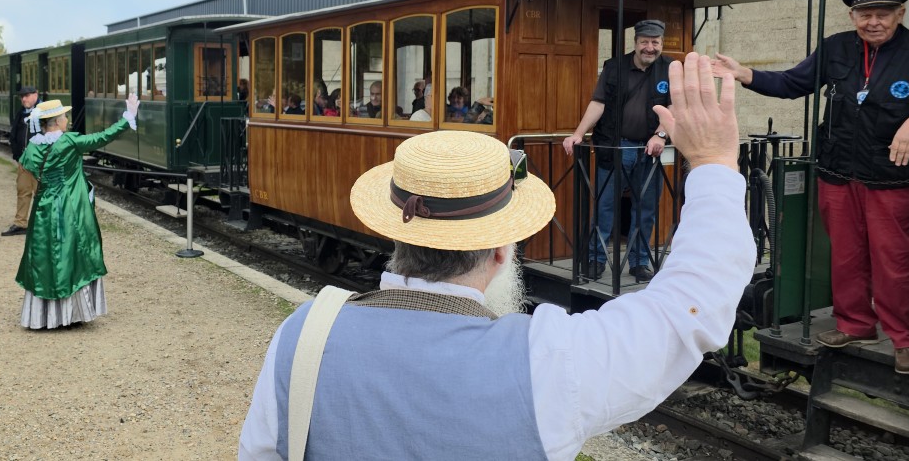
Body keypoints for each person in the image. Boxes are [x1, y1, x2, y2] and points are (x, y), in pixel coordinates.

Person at [239, 54, 753, 460]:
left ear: (394, 229)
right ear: (504, 248)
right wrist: (713, 164)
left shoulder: (301, 335)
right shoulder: (549, 362)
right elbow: (687, 310)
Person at [714, 0, 909, 375]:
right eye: (864, 14)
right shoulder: (837, 46)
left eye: (883, 14)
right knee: (847, 254)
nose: (873, 22)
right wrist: (745, 73)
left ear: (900, 14)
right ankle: (857, 325)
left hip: (892, 175)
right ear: (852, 16)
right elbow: (793, 83)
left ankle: (908, 338)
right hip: (838, 169)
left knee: (895, 260)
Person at [563, 19, 674, 284]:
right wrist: (578, 133)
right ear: (635, 43)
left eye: (655, 42)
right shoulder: (614, 67)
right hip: (617, 147)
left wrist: (661, 134)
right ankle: (595, 260)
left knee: (645, 209)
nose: (650, 47)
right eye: (645, 42)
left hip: (651, 150)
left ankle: (639, 263)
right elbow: (598, 103)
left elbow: (676, 107)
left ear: (661, 44)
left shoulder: (670, 68)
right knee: (605, 206)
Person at [15, 93, 139, 329]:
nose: (67, 120)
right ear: (57, 121)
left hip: (43, 207)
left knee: (45, 256)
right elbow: (102, 137)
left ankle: (44, 316)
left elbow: (27, 168)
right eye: (65, 116)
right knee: (73, 254)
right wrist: (128, 117)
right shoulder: (69, 142)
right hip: (70, 207)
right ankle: (72, 313)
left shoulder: (32, 148)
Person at [2, 86, 40, 237]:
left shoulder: (44, 111)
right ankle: (21, 223)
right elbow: (15, 133)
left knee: (41, 192)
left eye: (27, 96)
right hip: (24, 160)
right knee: (23, 191)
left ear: (35, 95)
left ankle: (41, 223)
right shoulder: (21, 112)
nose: (24, 99)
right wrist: (17, 155)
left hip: (40, 162)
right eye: (22, 97)